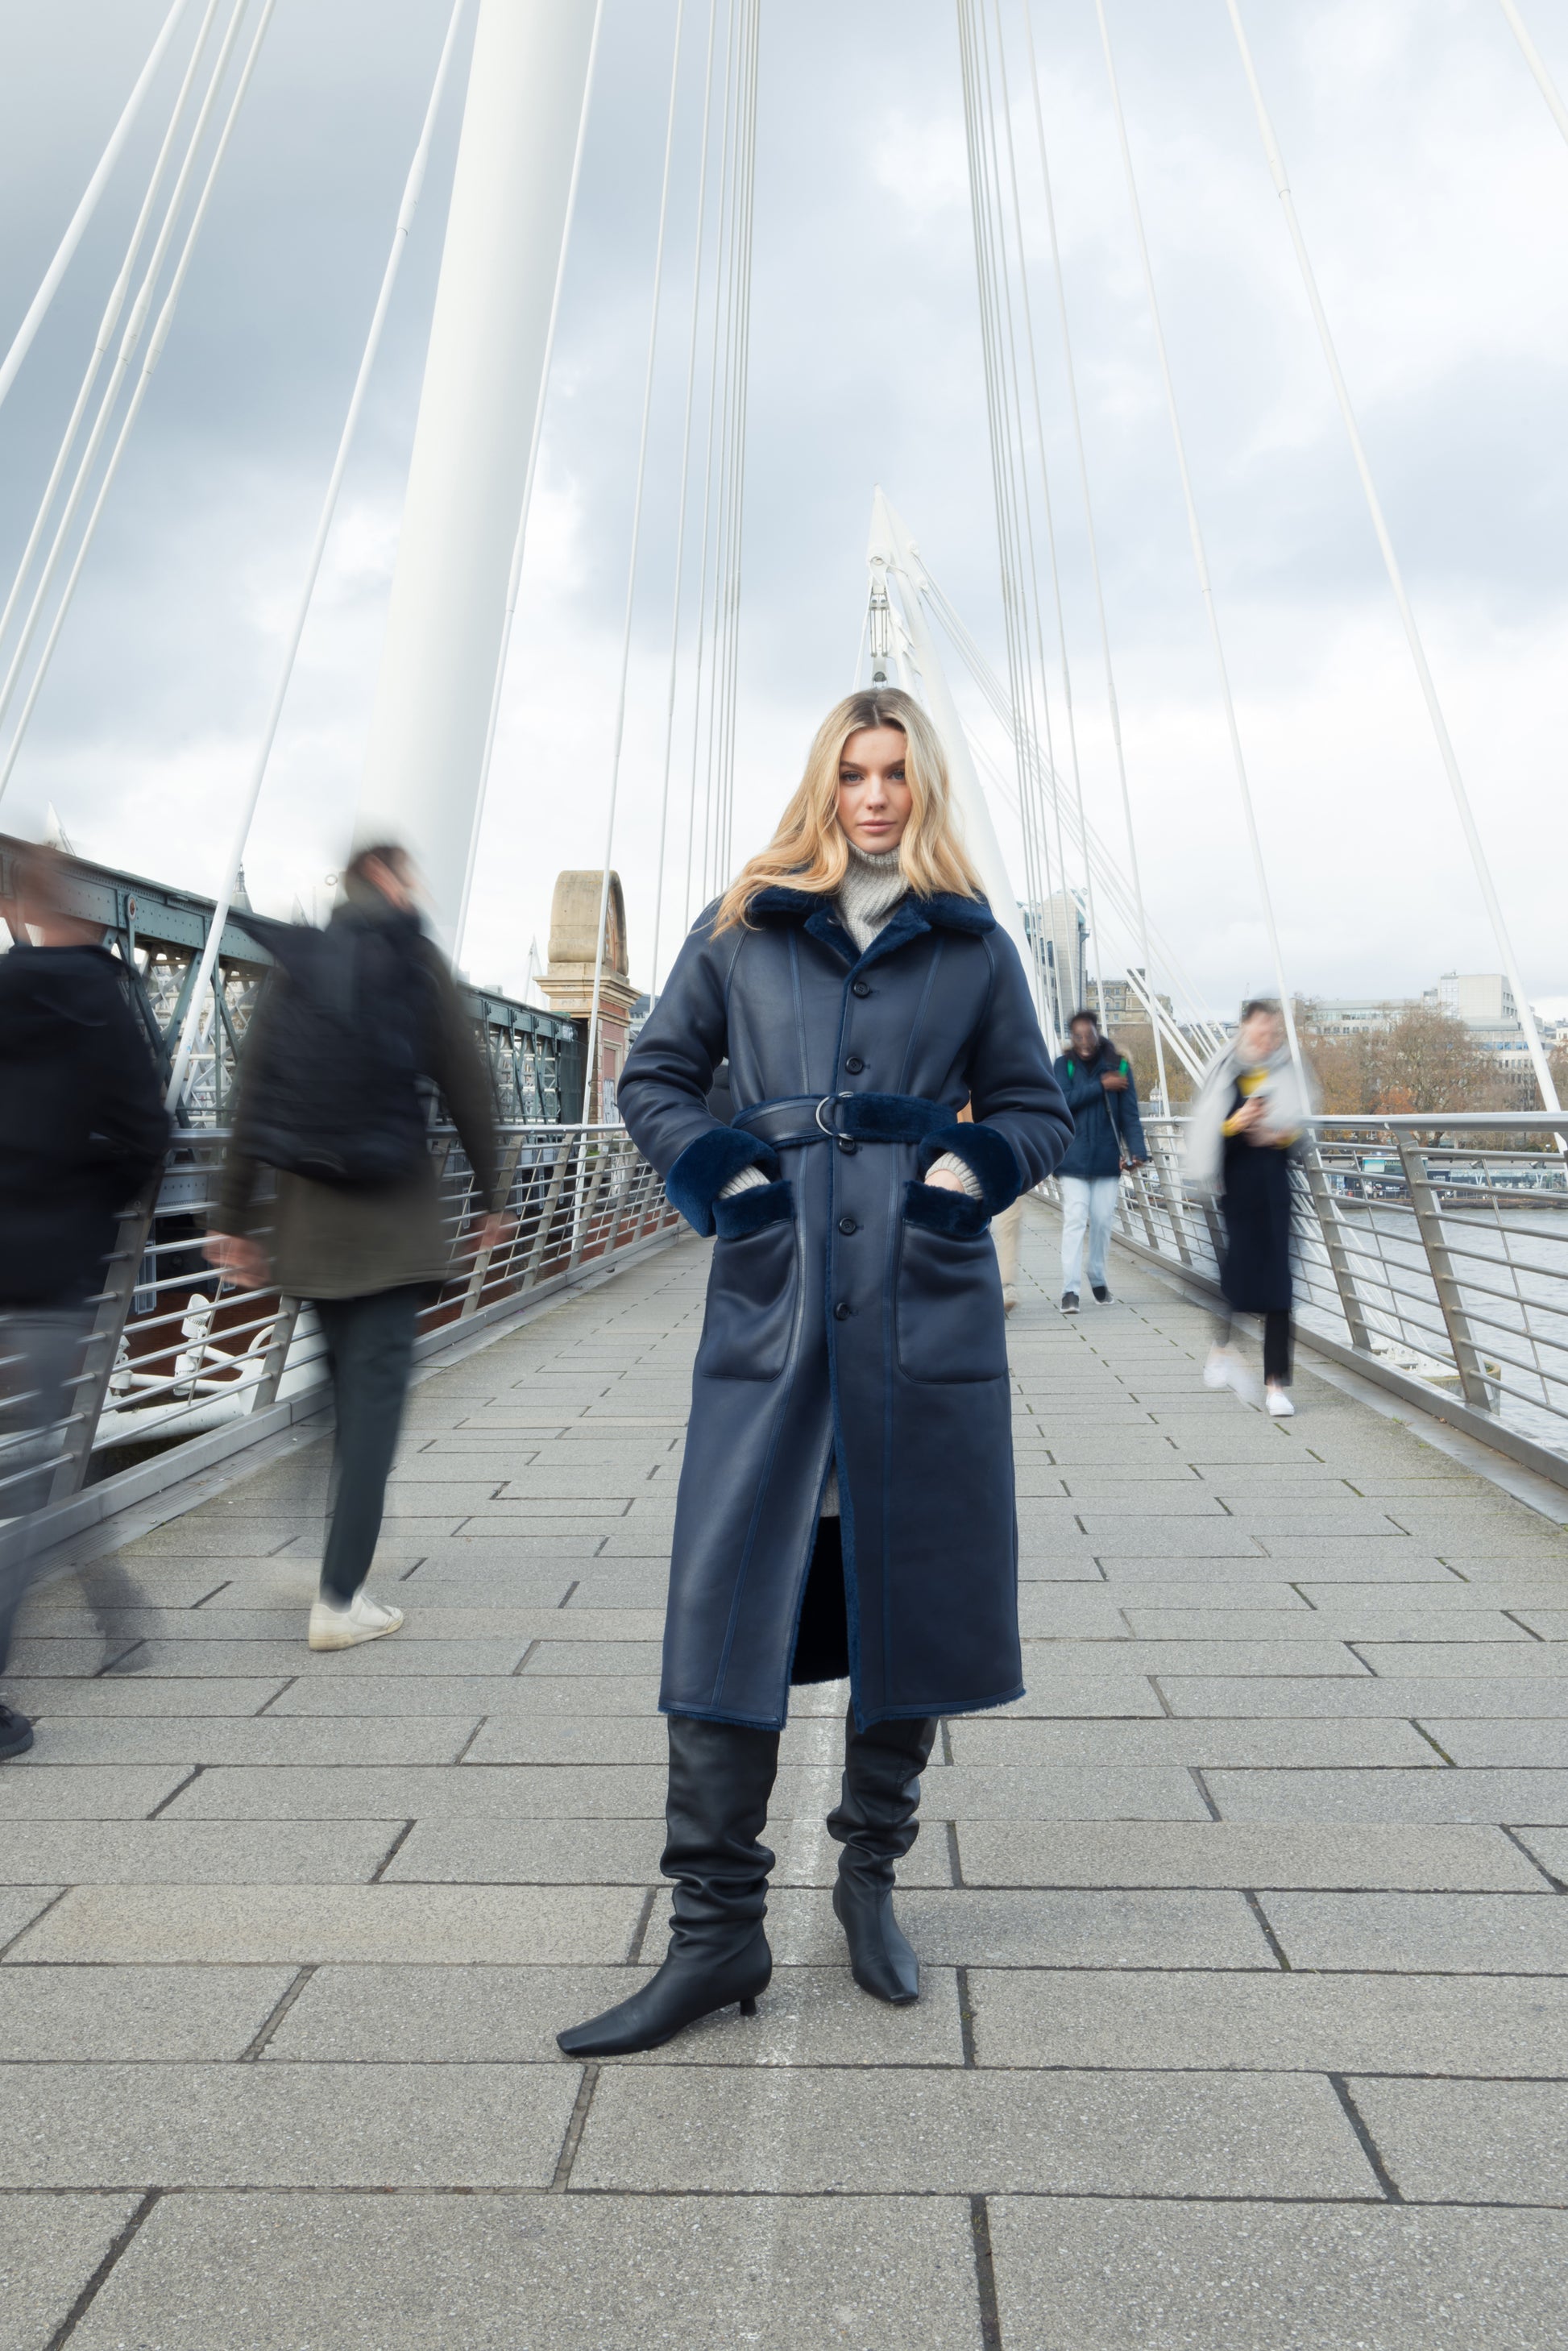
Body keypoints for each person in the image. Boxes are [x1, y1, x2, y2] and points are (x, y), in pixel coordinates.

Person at [558, 687, 1072, 2058]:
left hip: (920, 1306)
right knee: (726, 1602)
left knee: (907, 1590)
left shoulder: (972, 943)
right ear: (823, 783)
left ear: (923, 783)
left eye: (896, 771)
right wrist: (729, 1180)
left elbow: (1038, 1105)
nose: (876, 795)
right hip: (776, 1304)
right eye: (853, 771)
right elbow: (656, 1077)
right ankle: (714, 1933)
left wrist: (964, 1176)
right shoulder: (741, 923)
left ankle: (868, 1877)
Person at [205, 843, 505, 1649]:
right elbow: (469, 1085)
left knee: (341, 1402)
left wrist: (231, 1215)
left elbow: (252, 1096)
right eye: (410, 876)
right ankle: (340, 1597)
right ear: (386, 878)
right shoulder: (416, 960)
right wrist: (493, 1195)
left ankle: (325, 1553)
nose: (417, 890)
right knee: (372, 1424)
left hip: (308, 1233)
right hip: (391, 1233)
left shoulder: (296, 962)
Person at [0, 844, 170, 1760]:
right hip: (55, 1260)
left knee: (52, 1456)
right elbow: (147, 1127)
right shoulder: (98, 995)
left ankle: (119, 1612)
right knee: (40, 1465)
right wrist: (104, 1192)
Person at [1184, 998, 1310, 1419]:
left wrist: (1279, 1134)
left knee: (1280, 1286)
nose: (1265, 1040)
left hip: (1275, 1190)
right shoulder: (1224, 1073)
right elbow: (1206, 1134)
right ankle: (1220, 1350)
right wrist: (1233, 1125)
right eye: (1259, 1032)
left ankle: (1276, 1385)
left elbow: (1302, 1136)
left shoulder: (1287, 1074)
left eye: (1272, 1034)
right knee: (1237, 1278)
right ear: (1243, 1030)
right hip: (1236, 1192)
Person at [1051, 1008, 1146, 1312]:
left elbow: (1129, 1114)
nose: (1084, 1042)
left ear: (1098, 1032)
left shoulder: (1120, 1065)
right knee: (1075, 1219)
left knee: (1103, 1221)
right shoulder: (1063, 1066)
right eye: (1077, 1036)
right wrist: (1101, 1086)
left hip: (1107, 1157)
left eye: (1088, 1035)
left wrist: (1137, 1150)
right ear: (1071, 1037)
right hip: (1072, 1157)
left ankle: (1097, 1276)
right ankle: (1070, 1290)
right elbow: (1062, 1101)